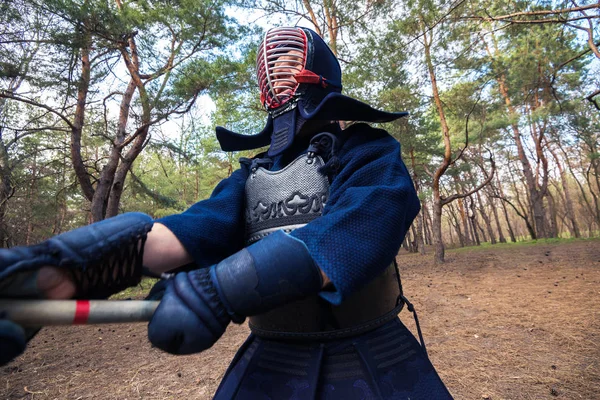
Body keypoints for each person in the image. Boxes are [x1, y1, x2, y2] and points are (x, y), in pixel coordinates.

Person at [0, 27, 452, 399]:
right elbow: (193, 230)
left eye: (290, 65)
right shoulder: (253, 174)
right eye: (270, 71)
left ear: (321, 73)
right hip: (273, 357)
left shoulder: (370, 152)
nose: (279, 77)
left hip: (372, 356)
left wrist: (222, 288)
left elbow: (357, 230)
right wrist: (71, 271)